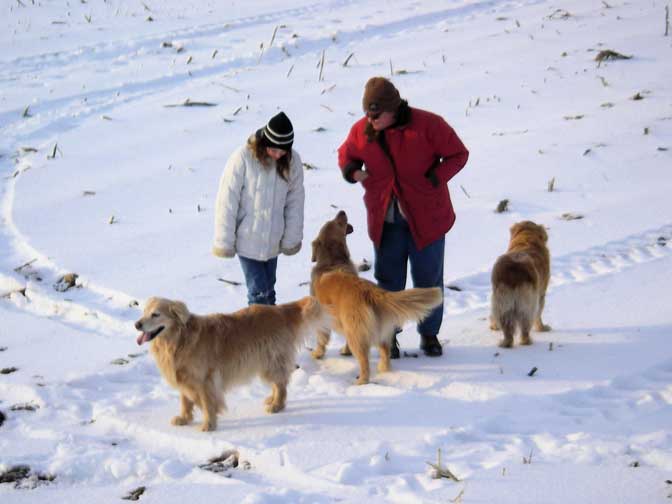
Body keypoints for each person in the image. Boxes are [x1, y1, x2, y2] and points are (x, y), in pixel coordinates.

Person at [338, 77, 469, 357]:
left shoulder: (428, 125)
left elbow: (458, 154)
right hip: (386, 221)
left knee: (428, 279)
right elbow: (346, 154)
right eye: (367, 114)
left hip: (427, 218)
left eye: (376, 114)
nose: (370, 119)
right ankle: (389, 337)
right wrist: (353, 171)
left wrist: (435, 177)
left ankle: (430, 333)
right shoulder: (363, 130)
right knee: (387, 282)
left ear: (393, 109)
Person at [213, 111, 304, 305]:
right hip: (247, 241)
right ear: (264, 142)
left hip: (273, 242)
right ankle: (257, 334)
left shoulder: (292, 162)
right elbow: (227, 201)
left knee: (269, 291)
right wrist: (224, 241)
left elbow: (295, 202)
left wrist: (291, 239)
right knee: (259, 294)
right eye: (274, 149)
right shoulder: (243, 158)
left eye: (283, 151)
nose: (278, 155)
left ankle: (271, 333)